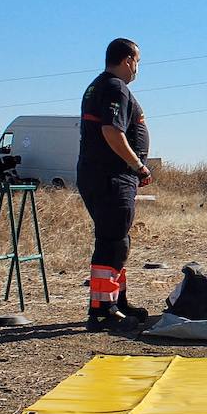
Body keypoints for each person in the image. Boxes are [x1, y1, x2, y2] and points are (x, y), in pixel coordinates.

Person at [77, 37, 152, 332]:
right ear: (128, 60)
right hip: (111, 175)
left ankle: (117, 300)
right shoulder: (114, 87)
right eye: (138, 62)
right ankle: (102, 309)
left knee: (119, 239)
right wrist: (138, 165)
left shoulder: (101, 85)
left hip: (104, 174)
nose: (137, 69)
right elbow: (112, 131)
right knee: (111, 241)